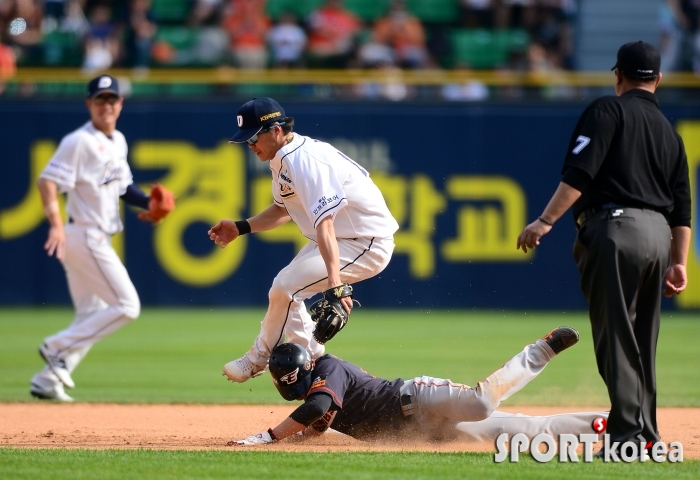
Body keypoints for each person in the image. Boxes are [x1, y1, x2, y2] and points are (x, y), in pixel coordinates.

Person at [516, 41, 691, 455]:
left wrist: (544, 221)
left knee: (616, 337)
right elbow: (683, 208)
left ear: (618, 75)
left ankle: (627, 438)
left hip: (617, 230)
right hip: (658, 238)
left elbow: (580, 172)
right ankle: (646, 435)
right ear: (659, 80)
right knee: (642, 341)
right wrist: (679, 262)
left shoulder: (607, 110)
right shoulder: (670, 132)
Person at [208, 97, 399, 383]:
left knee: (286, 287)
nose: (250, 145)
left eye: (253, 138)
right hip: (342, 238)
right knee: (285, 291)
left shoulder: (303, 160)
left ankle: (258, 358)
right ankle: (314, 359)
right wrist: (241, 227)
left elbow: (325, 221)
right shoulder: (281, 157)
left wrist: (335, 284)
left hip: (366, 243)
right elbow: (284, 209)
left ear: (275, 130)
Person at [31, 74, 175, 402]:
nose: (106, 105)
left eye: (112, 99)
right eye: (100, 99)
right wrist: (54, 223)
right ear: (89, 104)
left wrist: (150, 204)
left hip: (92, 237)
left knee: (89, 315)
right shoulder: (78, 141)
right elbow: (47, 181)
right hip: (85, 235)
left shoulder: (118, 140)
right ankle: (55, 347)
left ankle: (45, 381)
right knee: (127, 306)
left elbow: (123, 187)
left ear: (120, 104)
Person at [229, 327, 609, 445]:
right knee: (518, 431)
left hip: (421, 398)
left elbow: (314, 409)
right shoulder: (319, 393)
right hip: (426, 431)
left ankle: (541, 349)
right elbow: (315, 421)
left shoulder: (330, 367)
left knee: (481, 404)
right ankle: (610, 423)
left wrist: (269, 436)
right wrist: (291, 439)